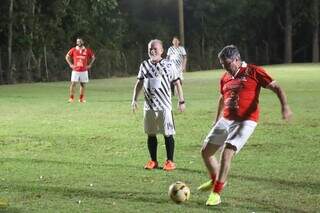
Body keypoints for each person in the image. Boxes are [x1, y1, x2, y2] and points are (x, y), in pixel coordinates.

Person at [198, 45, 293, 206]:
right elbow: (222, 98)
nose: (225, 67)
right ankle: (216, 179)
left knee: (227, 153)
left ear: (236, 59)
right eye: (222, 64)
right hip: (226, 119)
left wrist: (285, 106)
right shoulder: (225, 77)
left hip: (246, 121)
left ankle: (216, 192)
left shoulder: (254, 71)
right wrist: (217, 119)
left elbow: (276, 87)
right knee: (206, 152)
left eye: (227, 63)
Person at [131, 39, 186, 171]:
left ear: (162, 51)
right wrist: (134, 100)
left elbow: (177, 83)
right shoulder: (144, 65)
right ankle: (153, 161)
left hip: (164, 107)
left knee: (167, 133)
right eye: (150, 48)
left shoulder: (169, 65)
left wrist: (181, 101)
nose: (153, 51)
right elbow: (139, 83)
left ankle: (170, 161)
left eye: (155, 48)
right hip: (149, 107)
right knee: (151, 134)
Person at [65, 37, 95, 103]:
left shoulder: (87, 50)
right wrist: (70, 64)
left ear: (82, 42)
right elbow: (67, 57)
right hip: (75, 70)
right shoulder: (73, 49)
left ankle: (81, 99)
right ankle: (71, 98)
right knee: (73, 84)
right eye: (77, 41)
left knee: (83, 84)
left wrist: (90, 65)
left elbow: (93, 57)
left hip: (84, 70)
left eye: (80, 41)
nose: (78, 42)